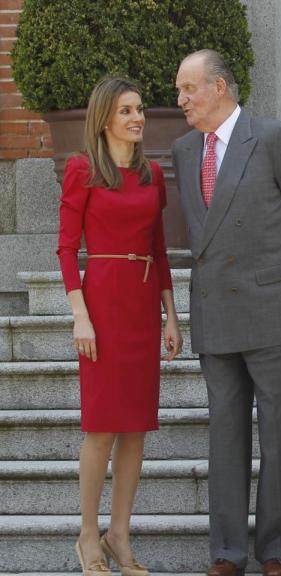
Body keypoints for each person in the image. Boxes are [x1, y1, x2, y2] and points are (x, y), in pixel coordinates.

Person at [172, 49, 281, 576]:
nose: (181, 100)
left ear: (218, 87)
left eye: (188, 89)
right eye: (179, 91)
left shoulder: (273, 137)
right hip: (216, 315)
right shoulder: (183, 149)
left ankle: (279, 550)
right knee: (225, 434)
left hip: (276, 311)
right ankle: (227, 551)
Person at [58, 76, 182, 576]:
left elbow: (159, 250)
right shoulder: (82, 170)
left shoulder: (153, 174)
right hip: (103, 301)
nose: (137, 118)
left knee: (136, 430)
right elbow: (67, 249)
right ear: (105, 117)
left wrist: (172, 315)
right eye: (126, 110)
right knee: (101, 428)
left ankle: (120, 534)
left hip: (142, 303)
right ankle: (88, 535)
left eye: (139, 111)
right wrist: (80, 316)